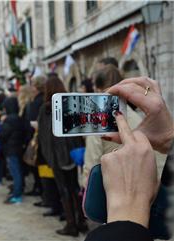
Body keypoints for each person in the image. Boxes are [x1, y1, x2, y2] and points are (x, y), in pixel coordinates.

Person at [85, 77, 174, 241]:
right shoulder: (139, 117)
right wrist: (169, 139)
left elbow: (90, 162)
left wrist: (127, 214)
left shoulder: (98, 123)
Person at [83, 65, 167, 186]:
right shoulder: (141, 117)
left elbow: (91, 169)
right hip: (146, 189)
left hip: (114, 192)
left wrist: (87, 191)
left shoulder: (97, 121)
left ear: (99, 89)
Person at [37, 74, 87, 237]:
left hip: (57, 156)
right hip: (73, 153)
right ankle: (81, 221)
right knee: (74, 187)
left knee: (64, 189)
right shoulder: (71, 104)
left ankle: (71, 224)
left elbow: (44, 136)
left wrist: (48, 156)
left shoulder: (46, 109)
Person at [0, 97, 26, 204]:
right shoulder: (20, 118)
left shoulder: (9, 120)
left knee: (15, 173)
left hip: (11, 149)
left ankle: (16, 195)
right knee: (19, 171)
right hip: (19, 148)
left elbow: (4, 134)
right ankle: (18, 191)